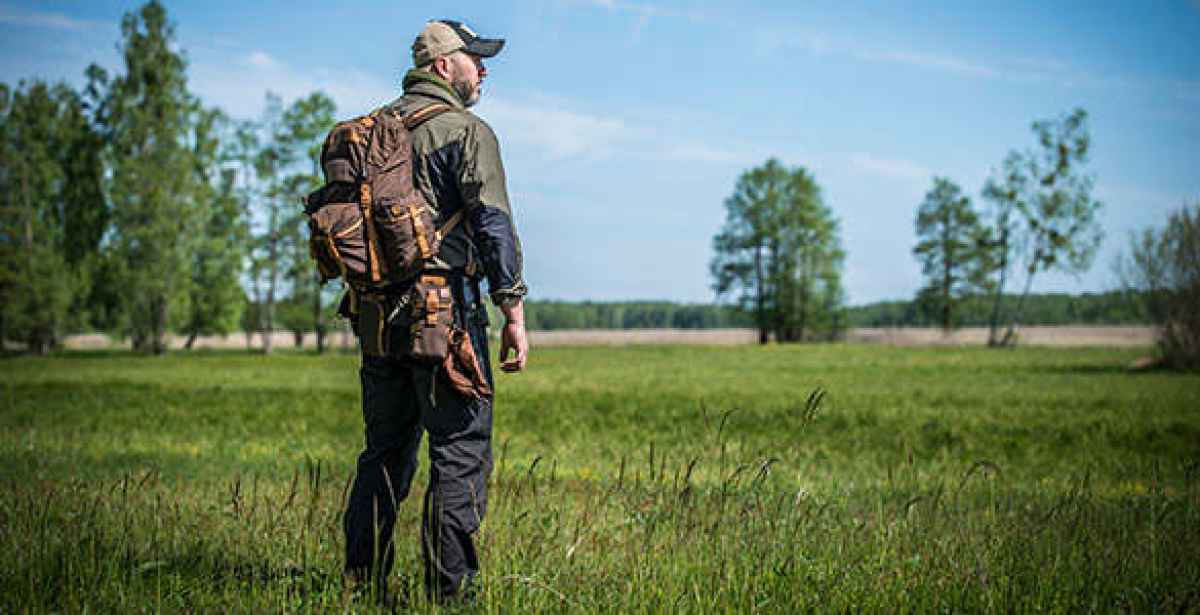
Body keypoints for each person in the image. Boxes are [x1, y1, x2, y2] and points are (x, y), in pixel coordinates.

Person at [341, 18, 529, 602]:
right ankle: (450, 597)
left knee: (385, 452)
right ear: (444, 66)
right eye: (475, 58)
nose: (484, 69)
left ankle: (362, 587)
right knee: (461, 450)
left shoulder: (369, 132)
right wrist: (513, 309)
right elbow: (492, 224)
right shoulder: (466, 131)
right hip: (447, 320)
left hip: (376, 321)